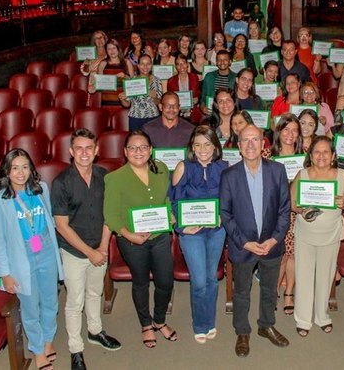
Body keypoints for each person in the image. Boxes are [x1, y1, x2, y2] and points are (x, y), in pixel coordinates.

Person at [0, 149, 63, 370]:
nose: (21, 173)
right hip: (22, 256)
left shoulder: (41, 189)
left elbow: (49, 219)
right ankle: (37, 349)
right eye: (15, 168)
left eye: (25, 167)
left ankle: (48, 340)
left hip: (46, 249)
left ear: (31, 169)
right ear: (7, 172)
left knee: (50, 300)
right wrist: (5, 274)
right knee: (30, 306)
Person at [51, 130, 121, 370]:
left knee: (95, 292)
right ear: (71, 152)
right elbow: (61, 225)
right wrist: (89, 252)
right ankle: (75, 349)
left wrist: (102, 246)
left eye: (88, 148)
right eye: (78, 148)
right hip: (73, 251)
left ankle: (95, 331)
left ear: (97, 151)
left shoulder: (104, 176)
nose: (84, 153)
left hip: (99, 248)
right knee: (74, 301)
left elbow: (109, 214)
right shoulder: (61, 182)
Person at [220, 124, 291, 358]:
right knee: (241, 291)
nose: (250, 144)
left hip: (272, 244)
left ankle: (266, 324)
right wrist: (244, 242)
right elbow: (225, 214)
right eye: (245, 140)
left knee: (270, 289)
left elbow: (284, 210)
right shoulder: (229, 176)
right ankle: (242, 331)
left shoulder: (278, 170)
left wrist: (274, 239)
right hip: (244, 247)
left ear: (263, 144)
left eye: (255, 139)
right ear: (239, 147)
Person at [103, 130, 177, 349]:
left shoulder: (161, 169)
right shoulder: (114, 178)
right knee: (141, 282)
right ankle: (146, 324)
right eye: (133, 148)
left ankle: (160, 320)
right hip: (131, 240)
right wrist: (128, 235)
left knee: (165, 281)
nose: (138, 152)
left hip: (160, 235)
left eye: (143, 147)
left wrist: (169, 213)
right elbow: (111, 216)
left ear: (151, 149)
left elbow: (165, 199)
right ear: (125, 152)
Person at [290, 136, 344, 336]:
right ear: (310, 155)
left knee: (325, 276)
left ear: (333, 155)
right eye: (317, 152)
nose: (321, 156)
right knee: (304, 276)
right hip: (305, 234)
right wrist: (300, 210)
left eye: (326, 152)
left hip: (331, 234)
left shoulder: (342, 175)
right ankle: (303, 318)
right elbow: (292, 203)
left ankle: (322, 316)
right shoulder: (302, 174)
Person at [171, 126, 228, 343]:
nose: (202, 149)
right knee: (199, 281)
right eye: (197, 145)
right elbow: (172, 203)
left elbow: (229, 200)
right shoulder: (183, 167)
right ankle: (199, 323)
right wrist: (181, 228)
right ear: (192, 148)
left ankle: (210, 321)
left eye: (207, 144)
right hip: (191, 233)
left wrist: (224, 216)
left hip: (216, 231)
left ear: (215, 147)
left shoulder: (224, 167)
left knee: (212, 279)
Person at [263, 113, 304, 316]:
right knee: (280, 255)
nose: (290, 134)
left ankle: (289, 293)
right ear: (279, 132)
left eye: (295, 130)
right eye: (286, 129)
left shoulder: (306, 156)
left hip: (299, 212)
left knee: (294, 254)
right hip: (276, 212)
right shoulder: (267, 155)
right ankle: (273, 292)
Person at [118, 54, 162, 131]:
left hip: (152, 117)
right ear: (138, 65)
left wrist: (154, 97)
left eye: (148, 64)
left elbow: (158, 102)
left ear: (151, 65)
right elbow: (127, 104)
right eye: (142, 64)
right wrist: (122, 99)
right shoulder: (132, 81)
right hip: (135, 118)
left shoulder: (157, 81)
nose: (145, 66)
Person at [88, 38, 134, 107]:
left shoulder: (127, 62)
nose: (112, 51)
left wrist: (125, 76)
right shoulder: (103, 64)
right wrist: (94, 87)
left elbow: (132, 83)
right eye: (109, 49)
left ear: (118, 49)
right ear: (106, 50)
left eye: (114, 48)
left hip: (123, 101)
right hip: (106, 102)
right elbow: (100, 84)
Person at [167, 54, 201, 118]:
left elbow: (198, 93)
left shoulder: (194, 77)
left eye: (183, 63)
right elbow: (170, 98)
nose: (181, 66)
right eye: (178, 64)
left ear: (187, 64)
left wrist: (197, 98)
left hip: (193, 112)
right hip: (177, 113)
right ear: (176, 66)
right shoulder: (171, 81)